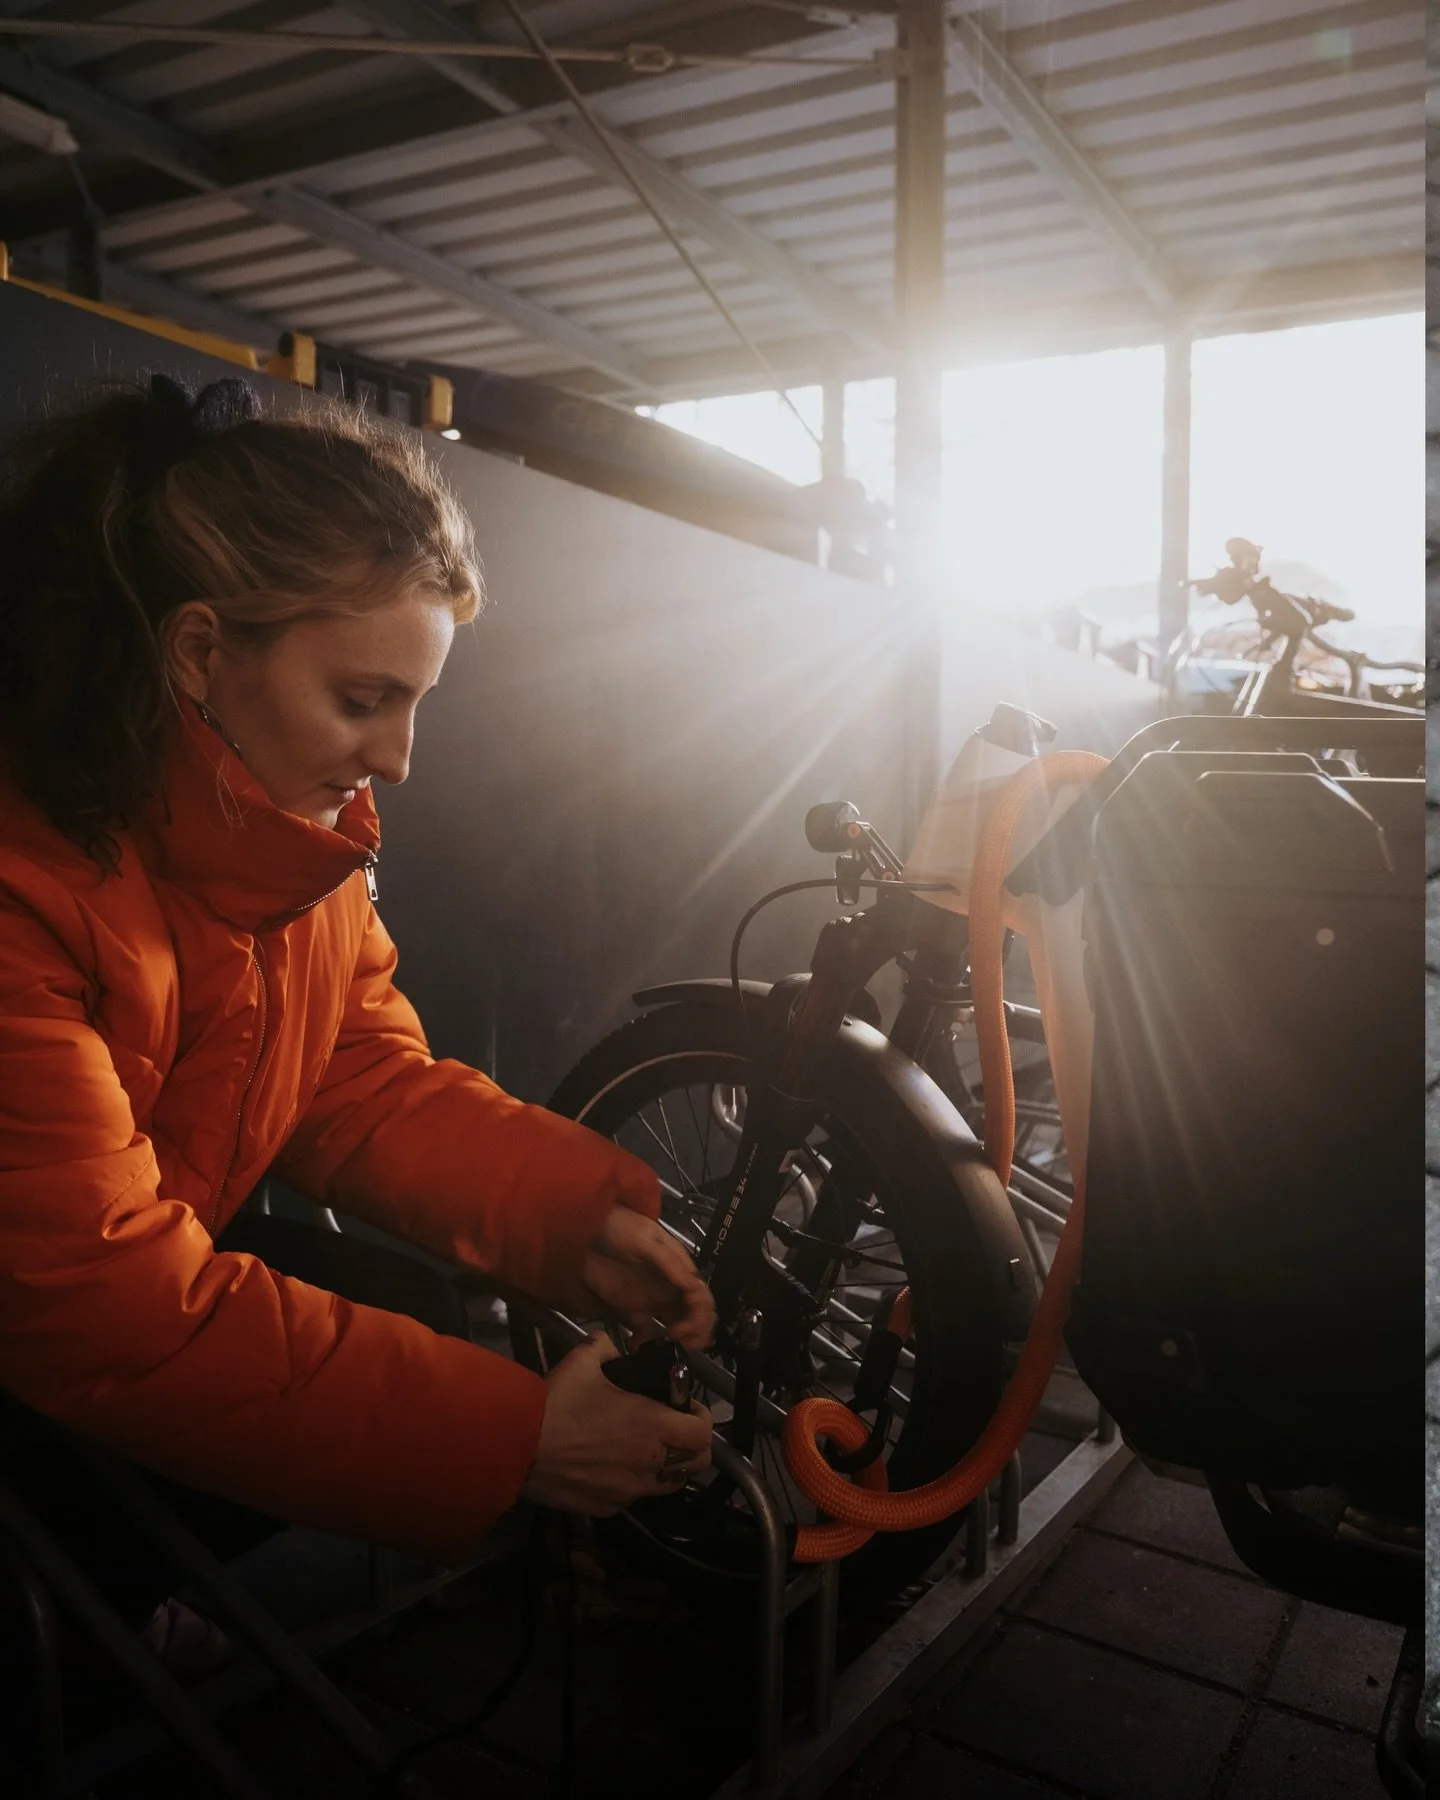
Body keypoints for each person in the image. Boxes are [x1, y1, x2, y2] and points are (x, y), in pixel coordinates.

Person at [0, 373, 715, 1657]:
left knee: (410, 1313)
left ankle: (107, 1617)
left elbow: (359, 1079)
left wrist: (572, 1220)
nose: (398, 759)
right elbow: (94, 1305)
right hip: (44, 1341)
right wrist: (510, 1441)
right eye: (363, 700)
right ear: (199, 654)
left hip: (95, 1307)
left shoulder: (293, 848)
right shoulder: (21, 883)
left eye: (415, 704)